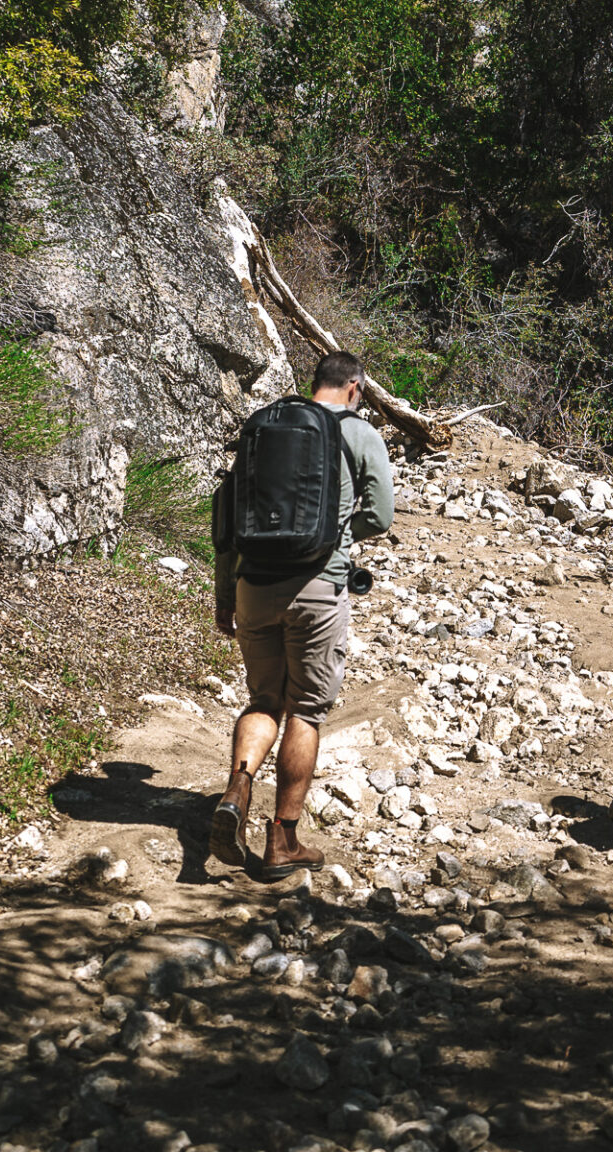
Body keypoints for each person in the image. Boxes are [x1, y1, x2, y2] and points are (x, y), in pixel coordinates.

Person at [210, 351, 394, 880]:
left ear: (315, 384)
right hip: (317, 586)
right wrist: (334, 539)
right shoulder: (359, 435)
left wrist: (226, 595)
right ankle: (283, 841)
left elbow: (228, 517)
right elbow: (380, 515)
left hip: (252, 584)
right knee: (307, 711)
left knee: (264, 699)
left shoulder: (265, 428)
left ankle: (237, 789)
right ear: (356, 387)